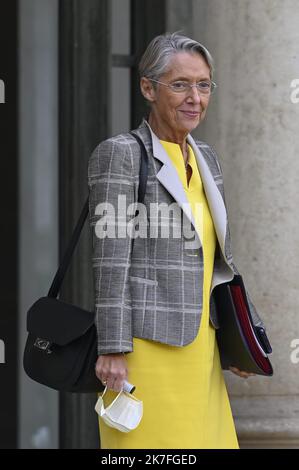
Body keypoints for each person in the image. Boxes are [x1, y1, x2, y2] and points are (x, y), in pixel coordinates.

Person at [87, 32, 267, 449]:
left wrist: (241, 335)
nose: (195, 98)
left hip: (202, 349)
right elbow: (110, 258)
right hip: (144, 351)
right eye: (180, 84)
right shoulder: (122, 154)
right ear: (148, 88)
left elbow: (221, 258)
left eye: (203, 85)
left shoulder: (208, 159)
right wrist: (113, 348)